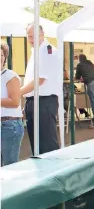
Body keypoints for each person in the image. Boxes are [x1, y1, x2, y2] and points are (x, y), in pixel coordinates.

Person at [20, 24, 61, 155]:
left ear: (42, 34)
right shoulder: (36, 51)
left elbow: (40, 79)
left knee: (47, 145)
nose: (31, 39)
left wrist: (17, 93)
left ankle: (55, 174)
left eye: (33, 36)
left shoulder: (48, 51)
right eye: (29, 37)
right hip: (34, 101)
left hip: (44, 102)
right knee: (37, 146)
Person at [1, 42, 24, 166]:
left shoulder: (10, 75)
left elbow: (15, 102)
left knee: (10, 167)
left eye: (1, 55)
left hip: (9, 125)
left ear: (5, 57)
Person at [75, 54, 94, 128]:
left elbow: (77, 77)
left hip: (92, 84)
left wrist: (81, 78)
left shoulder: (80, 65)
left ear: (79, 59)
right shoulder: (91, 64)